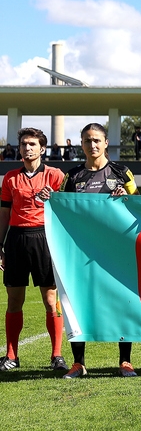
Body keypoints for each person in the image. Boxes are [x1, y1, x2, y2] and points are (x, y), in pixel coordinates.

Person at [59, 123, 140, 378]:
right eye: (86, 141)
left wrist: (124, 199)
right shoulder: (72, 176)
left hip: (116, 251)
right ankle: (78, 363)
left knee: (121, 303)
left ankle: (125, 361)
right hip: (81, 253)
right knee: (76, 304)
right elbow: (62, 211)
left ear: (106, 142)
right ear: (81, 144)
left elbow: (139, 208)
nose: (92, 145)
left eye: (96, 140)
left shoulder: (122, 172)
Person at [0, 128, 67, 373]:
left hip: (45, 238)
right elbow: (4, 213)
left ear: (42, 149)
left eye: (32, 144)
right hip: (16, 240)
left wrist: (55, 200)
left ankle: (57, 355)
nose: (27, 148)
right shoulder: (9, 178)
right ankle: (11, 355)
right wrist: (0, 245)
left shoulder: (56, 175)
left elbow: (69, 209)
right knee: (14, 300)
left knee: (51, 300)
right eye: (23, 144)